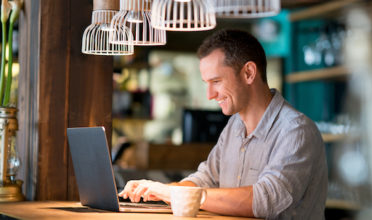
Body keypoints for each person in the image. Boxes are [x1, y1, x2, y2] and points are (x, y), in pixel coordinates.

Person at [119, 29, 328, 219]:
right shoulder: (234, 127)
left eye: (216, 82)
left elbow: (266, 201)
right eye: (207, 84)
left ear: (249, 73)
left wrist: (178, 193)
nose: (210, 95)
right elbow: (206, 178)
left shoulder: (296, 131)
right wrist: (160, 190)